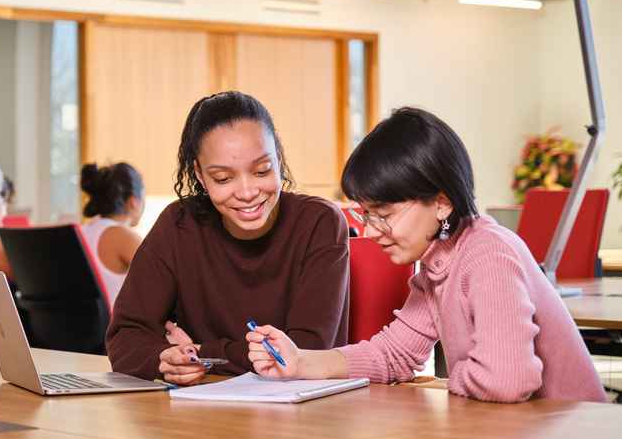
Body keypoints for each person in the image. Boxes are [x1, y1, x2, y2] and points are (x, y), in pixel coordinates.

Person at [246, 107, 607, 403]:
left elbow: (507, 381)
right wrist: (299, 361)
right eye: (365, 215)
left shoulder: (488, 255)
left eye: (383, 215)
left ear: (441, 202)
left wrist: (447, 381)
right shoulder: (439, 262)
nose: (370, 231)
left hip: (571, 438)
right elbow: (394, 354)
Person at [106, 91, 350, 386]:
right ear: (199, 174)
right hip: (203, 410)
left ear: (278, 158)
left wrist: (204, 352)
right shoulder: (178, 225)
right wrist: (165, 360)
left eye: (262, 170)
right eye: (223, 178)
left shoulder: (319, 222)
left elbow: (304, 352)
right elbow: (125, 338)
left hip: (302, 416)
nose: (247, 192)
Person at [80, 162, 146, 308]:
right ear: (133, 202)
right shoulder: (123, 236)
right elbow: (166, 281)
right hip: (112, 328)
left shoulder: (83, 231)